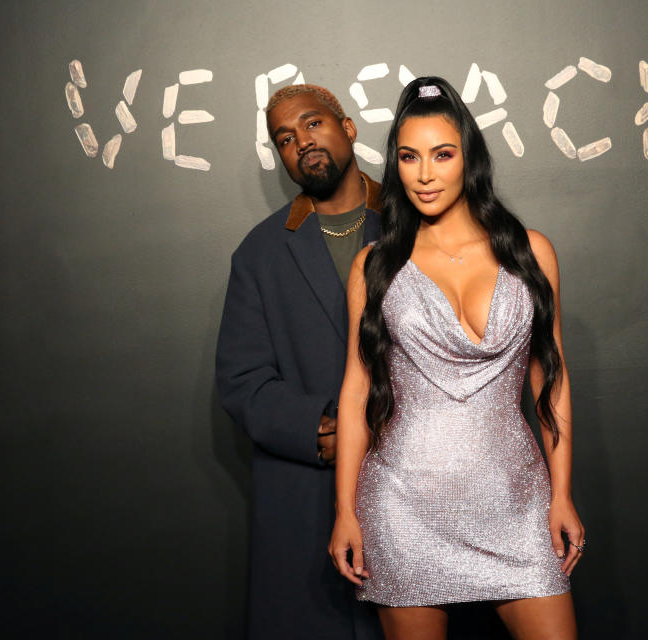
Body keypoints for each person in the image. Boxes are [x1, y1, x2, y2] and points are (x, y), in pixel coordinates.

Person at [328, 76, 586, 640]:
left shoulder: (530, 252)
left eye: (442, 155)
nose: (424, 174)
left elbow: (553, 383)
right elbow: (355, 391)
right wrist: (346, 509)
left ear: (468, 158)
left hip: (515, 504)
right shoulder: (375, 266)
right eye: (408, 157)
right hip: (403, 507)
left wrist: (561, 495)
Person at [216, 84, 383, 640]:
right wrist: (328, 433)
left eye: (312, 124)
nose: (301, 142)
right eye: (285, 139)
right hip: (307, 499)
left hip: (425, 487)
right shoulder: (259, 253)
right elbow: (242, 382)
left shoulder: (423, 224)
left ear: (348, 127)